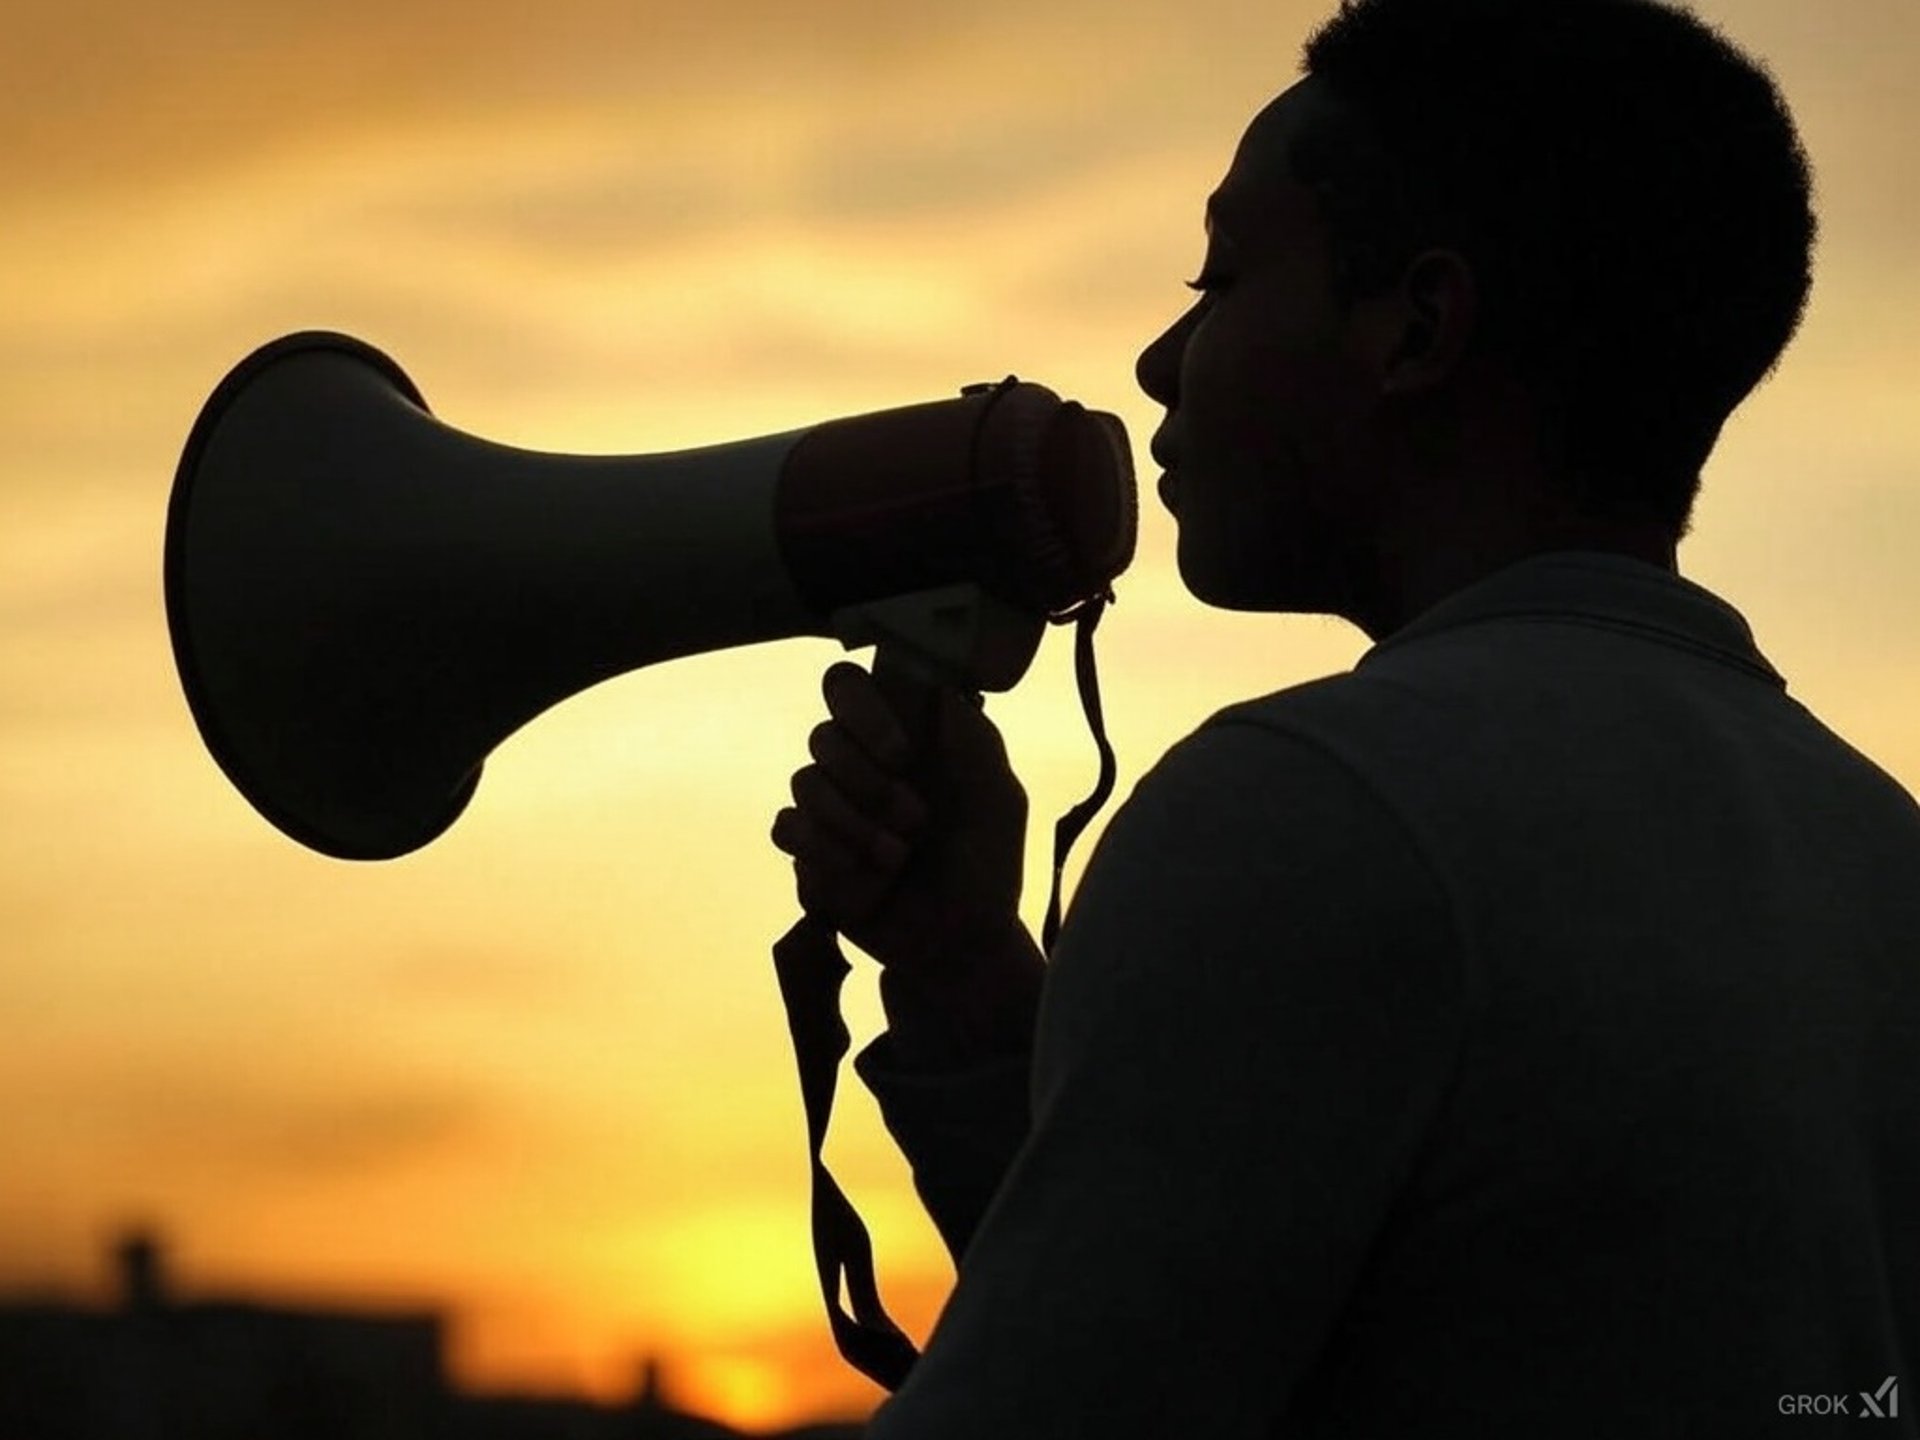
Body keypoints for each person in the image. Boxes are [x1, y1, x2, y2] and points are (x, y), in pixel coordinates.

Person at [770, 1, 1920, 1434]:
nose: (1158, 362)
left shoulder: (1305, 803)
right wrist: (960, 974)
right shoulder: (1880, 854)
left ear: (1418, 326)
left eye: (1222, 277)